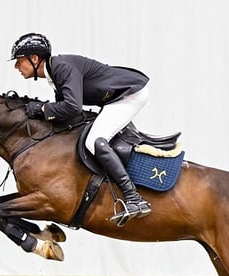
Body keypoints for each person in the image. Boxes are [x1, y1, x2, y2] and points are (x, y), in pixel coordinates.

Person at [10, 32, 152, 226]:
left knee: (95, 141)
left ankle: (134, 198)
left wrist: (43, 109)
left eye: (19, 61)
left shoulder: (61, 67)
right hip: (117, 96)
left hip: (129, 94)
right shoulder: (55, 73)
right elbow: (69, 114)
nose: (16, 66)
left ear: (34, 59)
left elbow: (72, 107)